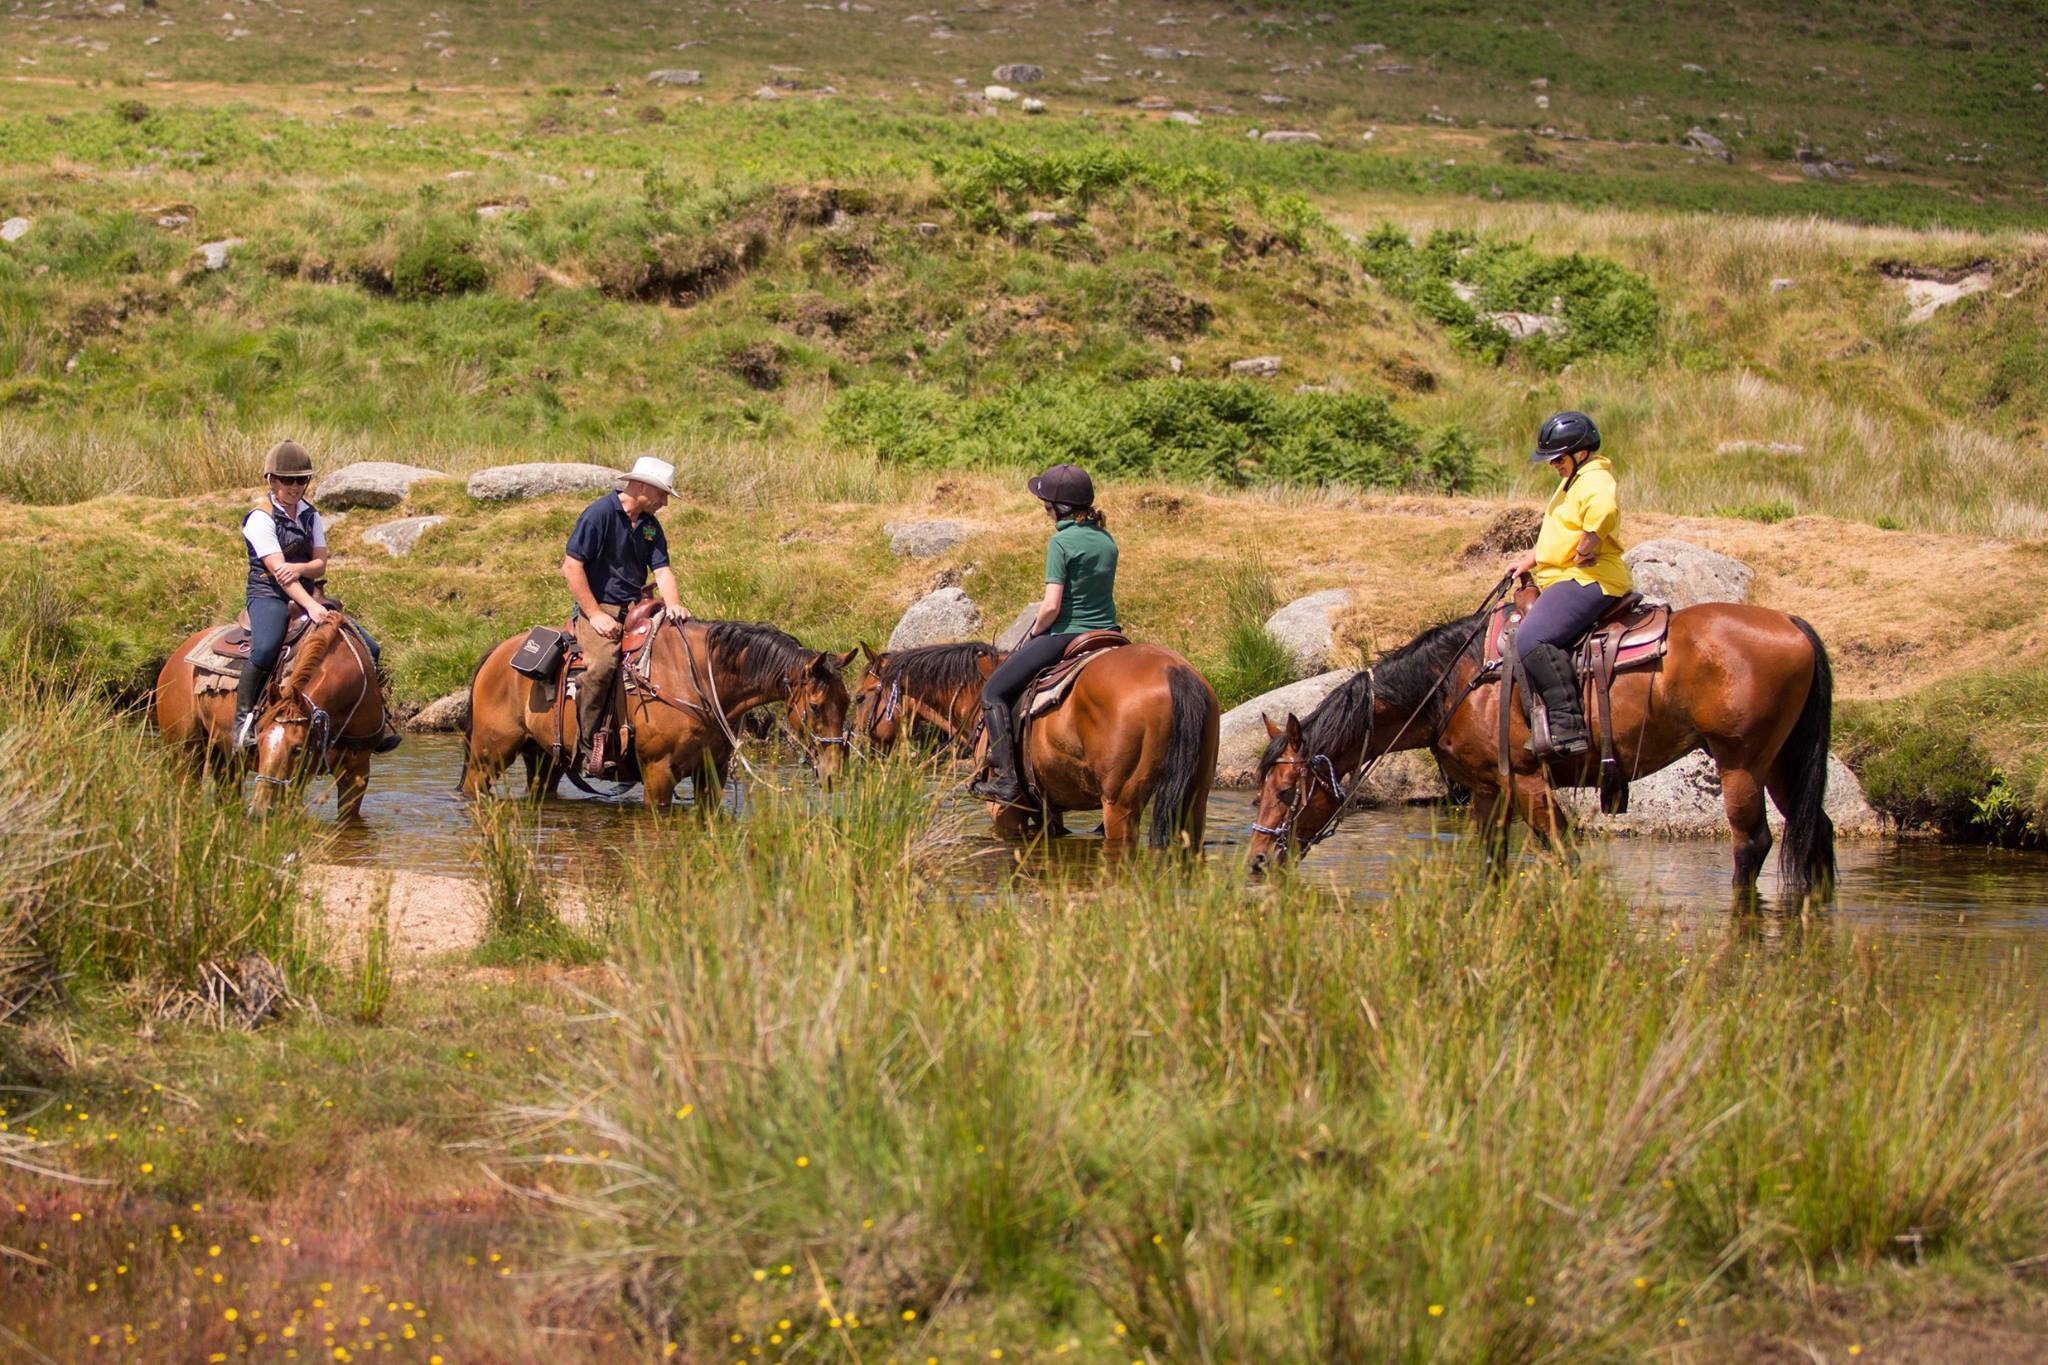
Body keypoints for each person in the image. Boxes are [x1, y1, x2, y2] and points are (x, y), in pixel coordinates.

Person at [234, 439, 402, 755]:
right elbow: (279, 575)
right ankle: (242, 724)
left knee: (371, 647)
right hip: (268, 594)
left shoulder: (311, 515)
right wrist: (310, 604)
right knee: (266, 647)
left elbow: (320, 563)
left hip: (309, 592)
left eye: (301, 480)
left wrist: (300, 571)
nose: (295, 486)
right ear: (271, 479)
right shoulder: (260, 518)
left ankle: (376, 721)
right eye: (287, 480)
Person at [970, 463, 1120, 805]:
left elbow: (1052, 607)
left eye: (1046, 506)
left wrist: (1035, 631)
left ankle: (1007, 780)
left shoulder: (1061, 542)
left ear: (1059, 508)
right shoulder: (1106, 539)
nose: (1044, 512)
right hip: (1109, 633)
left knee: (992, 692)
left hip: (1068, 633)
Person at [1503, 410, 1631, 757]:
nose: (1552, 464)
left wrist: (1592, 537)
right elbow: (1562, 531)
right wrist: (1530, 558)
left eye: (1557, 457)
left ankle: (1567, 724)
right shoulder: (1573, 479)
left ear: (1581, 453)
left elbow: (1603, 510)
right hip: (1567, 574)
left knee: (1532, 637)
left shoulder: (1593, 478)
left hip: (1591, 578)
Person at [561, 454, 693, 775]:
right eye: (662, 494)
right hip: (599, 609)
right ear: (641, 487)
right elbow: (572, 566)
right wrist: (594, 615)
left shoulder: (650, 525)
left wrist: (673, 603)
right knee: (603, 665)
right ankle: (587, 746)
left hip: (637, 611)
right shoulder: (599, 514)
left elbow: (662, 570)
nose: (665, 501)